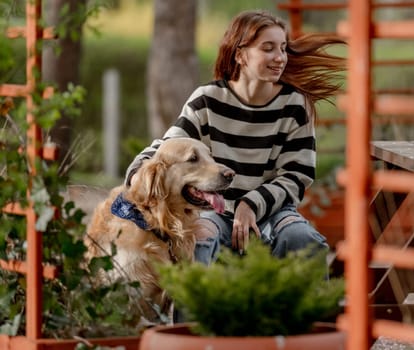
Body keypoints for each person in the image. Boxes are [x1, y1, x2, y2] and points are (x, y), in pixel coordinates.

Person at [125, 9, 346, 266]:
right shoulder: (207, 100)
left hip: (272, 211)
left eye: (283, 48)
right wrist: (138, 175)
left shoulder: (295, 105)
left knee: (302, 239)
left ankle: (310, 307)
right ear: (241, 55)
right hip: (214, 210)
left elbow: (297, 177)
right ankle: (195, 308)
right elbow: (170, 146)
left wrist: (250, 204)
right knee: (199, 241)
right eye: (268, 48)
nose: (280, 58)